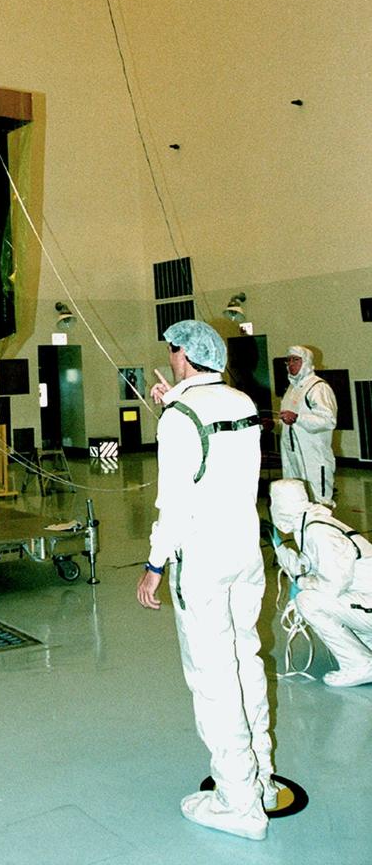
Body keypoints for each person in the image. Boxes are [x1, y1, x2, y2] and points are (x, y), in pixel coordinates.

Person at [136, 319, 273, 842]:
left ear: (184, 356)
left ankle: (239, 804)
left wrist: (153, 566)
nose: (170, 359)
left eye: (172, 352)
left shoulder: (179, 417)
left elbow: (175, 504)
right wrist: (175, 403)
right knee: (246, 659)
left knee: (214, 679)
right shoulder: (240, 402)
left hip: (205, 562)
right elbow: (215, 449)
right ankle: (258, 773)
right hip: (246, 553)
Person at [270, 478, 372, 687]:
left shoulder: (318, 532)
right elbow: (314, 567)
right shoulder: (310, 525)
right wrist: (286, 556)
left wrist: (302, 581)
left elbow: (332, 586)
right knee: (328, 599)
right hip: (365, 599)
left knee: (309, 601)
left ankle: (360, 664)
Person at [279, 345, 338, 506]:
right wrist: (274, 423)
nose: (291, 364)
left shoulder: (318, 387)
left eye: (296, 360)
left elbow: (328, 420)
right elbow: (289, 420)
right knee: (297, 501)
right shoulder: (292, 389)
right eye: (288, 360)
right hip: (292, 455)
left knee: (320, 501)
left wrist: (298, 418)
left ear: (306, 362)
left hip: (313, 457)